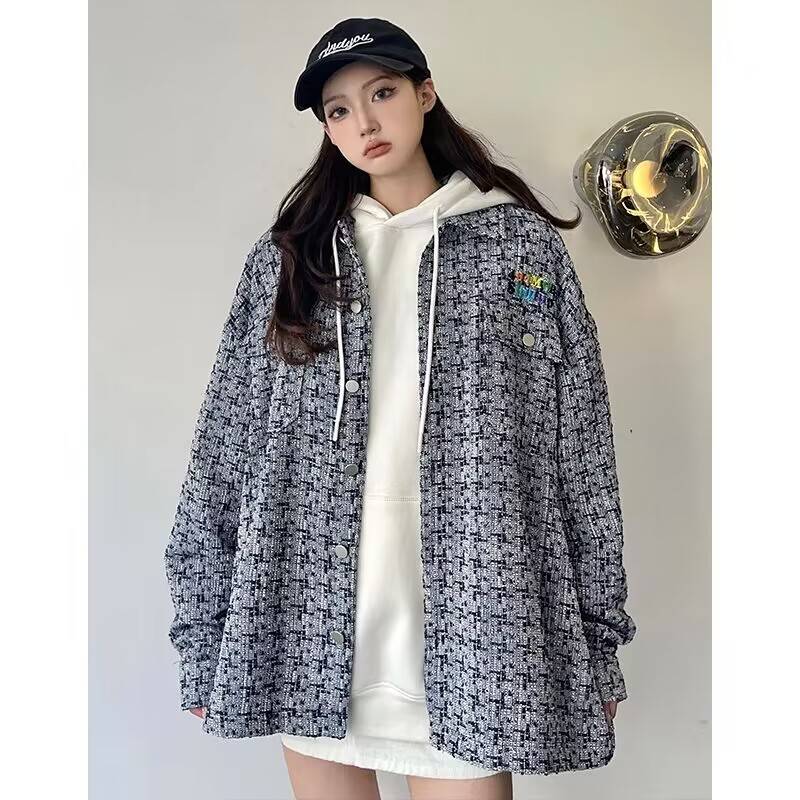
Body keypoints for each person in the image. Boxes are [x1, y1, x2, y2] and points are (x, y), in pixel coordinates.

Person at [164, 16, 637, 800]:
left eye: (381, 93)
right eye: (339, 110)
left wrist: (597, 639)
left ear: (424, 94)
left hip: (481, 636)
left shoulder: (520, 249)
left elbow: (581, 453)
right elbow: (223, 452)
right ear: (327, 129)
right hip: (309, 633)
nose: (364, 122)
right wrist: (202, 633)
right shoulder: (288, 261)